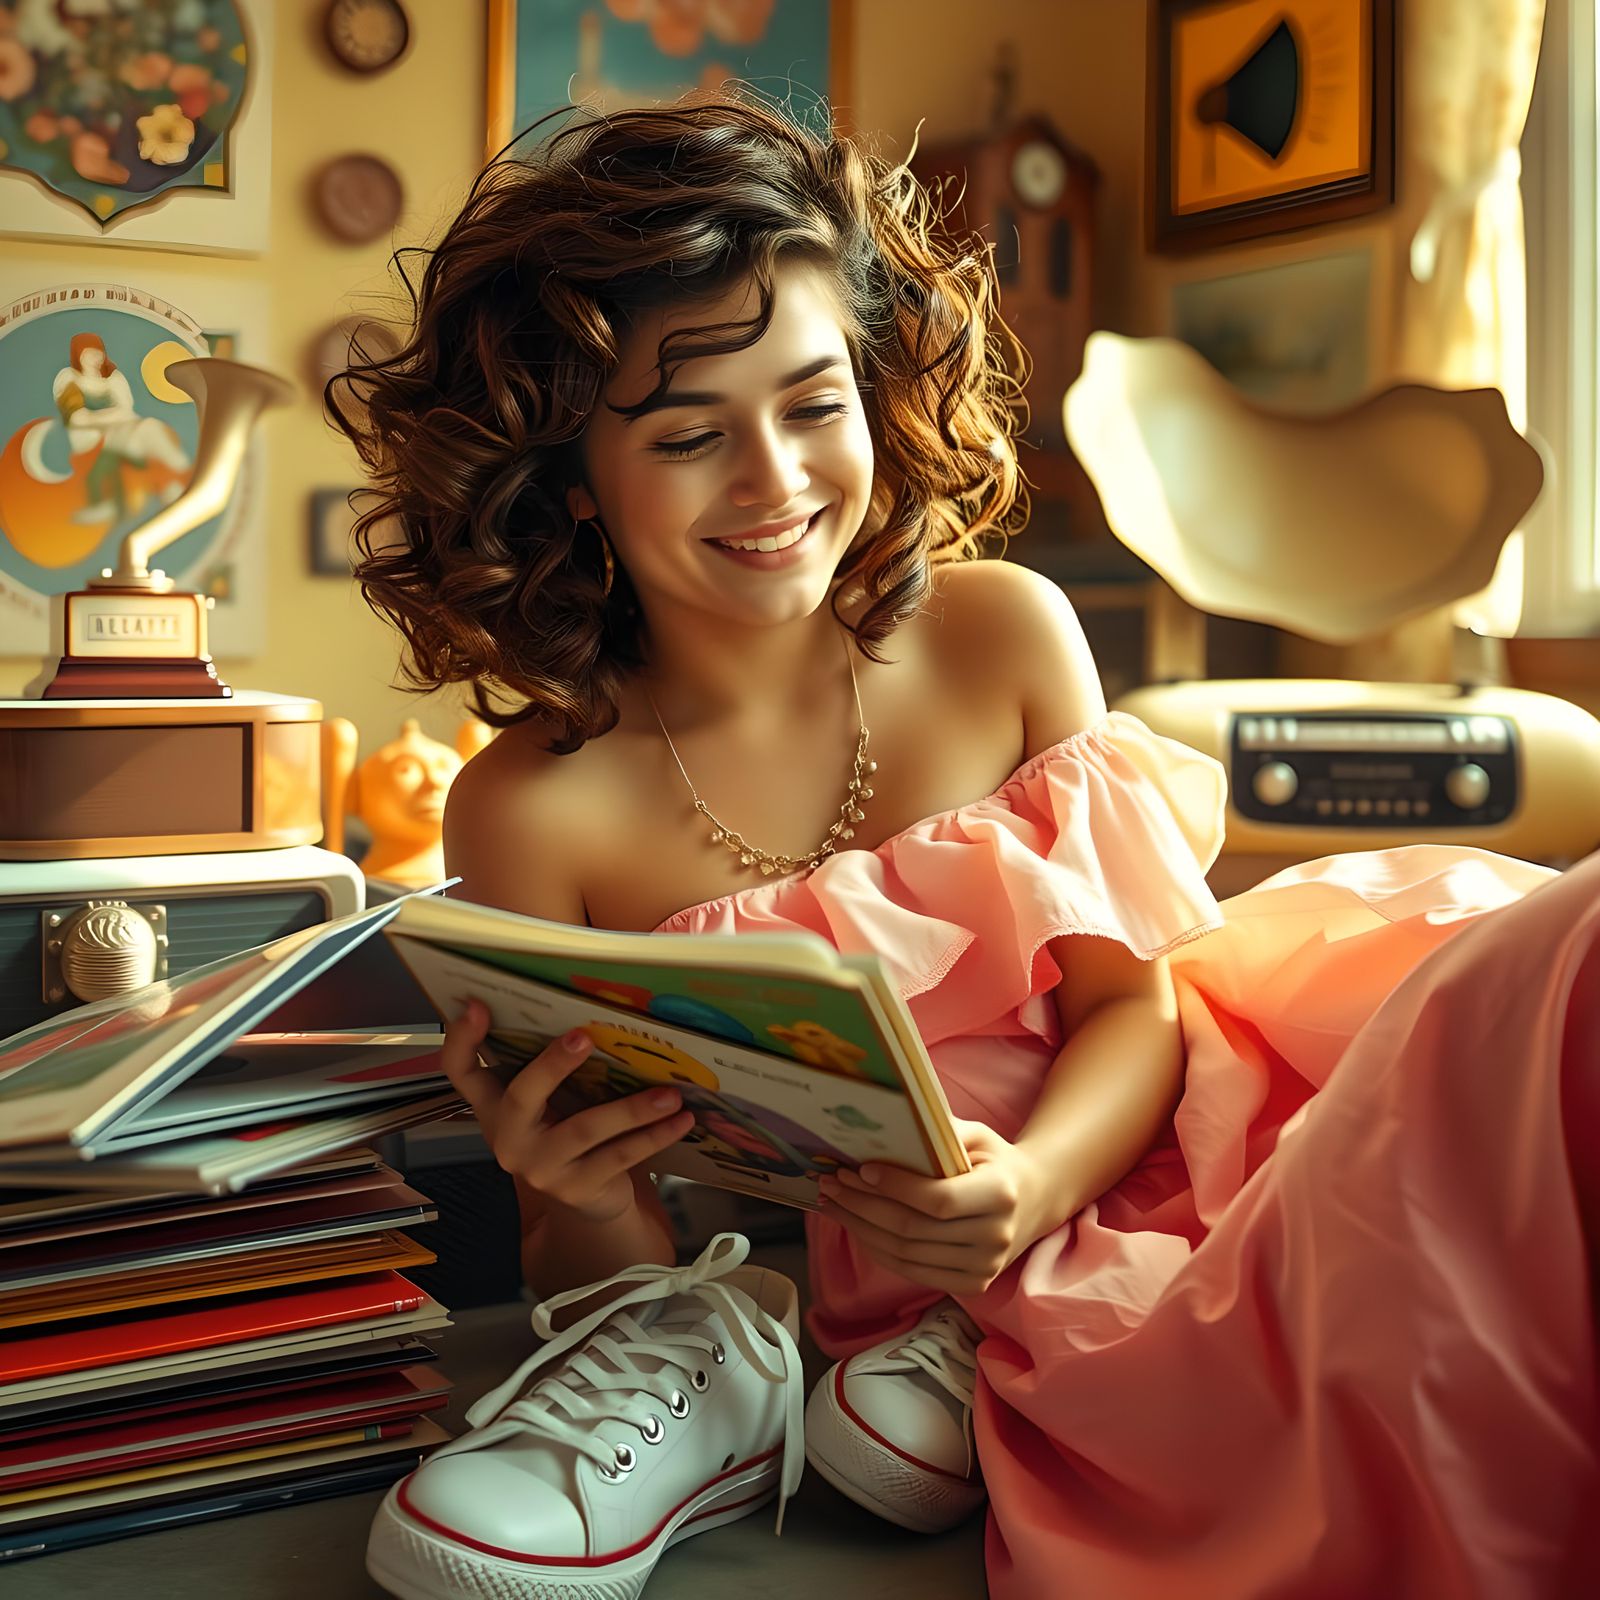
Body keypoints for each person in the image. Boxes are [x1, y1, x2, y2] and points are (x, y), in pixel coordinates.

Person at [331, 89, 1600, 1600]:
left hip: (1246, 1110)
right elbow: (611, 1266)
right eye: (688, 435)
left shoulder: (1000, 635)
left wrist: (1037, 1187)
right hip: (960, 1288)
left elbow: (1142, 1012)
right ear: (568, 476)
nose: (776, 482)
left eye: (814, 405)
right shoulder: (533, 810)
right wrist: (578, 1188)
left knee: (1541, 1005)